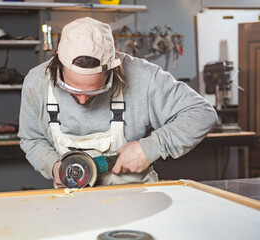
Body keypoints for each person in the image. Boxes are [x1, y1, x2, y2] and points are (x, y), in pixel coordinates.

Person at [18, 17, 217, 188]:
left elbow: (201, 113)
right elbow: (32, 140)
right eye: (72, 89)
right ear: (57, 65)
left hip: (137, 197)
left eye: (95, 90)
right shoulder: (37, 82)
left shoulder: (143, 77)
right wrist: (55, 166)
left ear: (112, 70)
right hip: (69, 198)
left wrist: (151, 148)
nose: (82, 99)